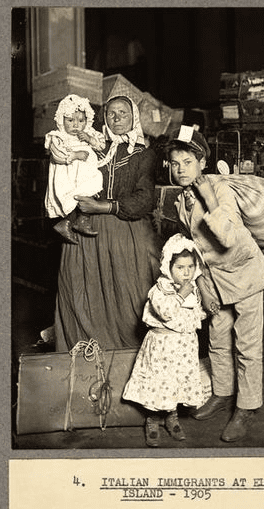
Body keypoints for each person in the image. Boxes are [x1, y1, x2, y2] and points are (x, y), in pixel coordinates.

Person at [166, 126, 264, 442]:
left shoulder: (220, 189)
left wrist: (210, 196)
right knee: (216, 337)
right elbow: (193, 248)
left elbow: (226, 236)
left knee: (247, 344)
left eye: (187, 161)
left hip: (244, 274)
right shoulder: (182, 198)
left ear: (201, 161)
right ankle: (223, 392)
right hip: (214, 279)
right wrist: (201, 288)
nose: (180, 169)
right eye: (175, 163)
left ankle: (247, 407)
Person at [54, 93, 161, 352]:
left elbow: (144, 199)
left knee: (129, 297)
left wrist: (102, 205)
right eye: (111, 113)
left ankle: (131, 357)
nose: (116, 118)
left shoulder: (144, 154)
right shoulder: (92, 147)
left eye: (123, 113)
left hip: (125, 229)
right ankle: (86, 354)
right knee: (80, 290)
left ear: (134, 117)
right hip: (87, 230)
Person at [123, 233, 207, 447]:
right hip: (163, 347)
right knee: (160, 384)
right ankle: (152, 420)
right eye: (180, 268)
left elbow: (192, 315)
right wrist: (180, 295)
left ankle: (172, 417)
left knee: (177, 382)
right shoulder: (159, 290)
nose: (186, 273)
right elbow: (166, 312)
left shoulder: (192, 289)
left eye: (190, 267)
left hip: (184, 348)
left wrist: (205, 312)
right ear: (168, 268)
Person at [44, 94, 106, 244]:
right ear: (61, 120)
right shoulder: (58, 137)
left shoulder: (89, 133)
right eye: (70, 120)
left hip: (86, 173)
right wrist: (75, 155)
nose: (76, 125)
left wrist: (90, 139)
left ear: (87, 120)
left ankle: (82, 220)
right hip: (67, 175)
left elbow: (102, 145)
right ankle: (65, 222)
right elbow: (57, 156)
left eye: (81, 121)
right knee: (72, 196)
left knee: (92, 189)